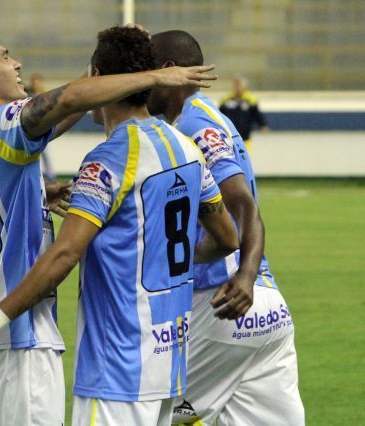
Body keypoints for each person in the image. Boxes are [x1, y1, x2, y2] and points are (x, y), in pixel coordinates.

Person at [0, 26, 239, 426]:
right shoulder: (1, 125)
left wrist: (35, 196)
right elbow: (68, 100)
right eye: (6, 56)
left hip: (11, 328)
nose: (17, 63)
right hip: (17, 333)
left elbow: (65, 107)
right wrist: (154, 76)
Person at [147, 30, 305, 425]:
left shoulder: (196, 125)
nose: (140, 81)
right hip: (269, 311)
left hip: (222, 301)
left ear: (169, 72)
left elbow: (241, 203)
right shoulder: (208, 118)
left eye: (144, 70)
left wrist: (245, 276)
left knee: (139, 412)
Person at [219, 75, 269, 154]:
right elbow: (219, 115)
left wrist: (263, 125)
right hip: (229, 137)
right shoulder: (226, 99)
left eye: (239, 85)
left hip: (245, 137)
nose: (238, 87)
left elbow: (257, 114)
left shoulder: (250, 99)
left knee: (244, 156)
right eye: (236, 85)